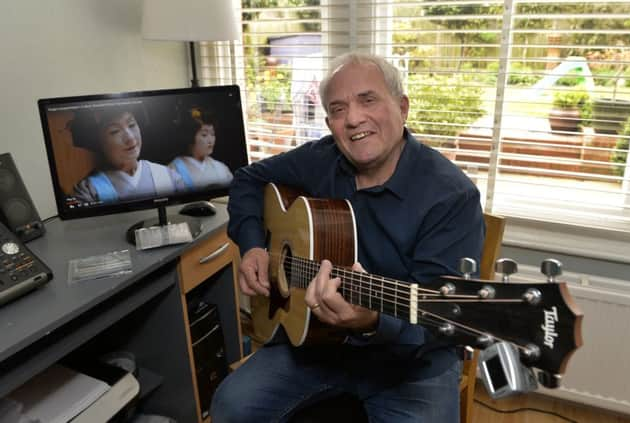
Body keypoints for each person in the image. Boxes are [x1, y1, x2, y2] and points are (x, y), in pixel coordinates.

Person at [211, 52, 485, 422]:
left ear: (402, 107)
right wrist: (254, 246)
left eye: (368, 100)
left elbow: (442, 324)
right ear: (329, 123)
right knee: (231, 407)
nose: (353, 118)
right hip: (316, 346)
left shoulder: (451, 196)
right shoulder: (322, 159)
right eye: (338, 110)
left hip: (409, 367)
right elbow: (247, 178)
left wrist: (373, 321)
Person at [70, 104, 186, 203]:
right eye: (115, 131)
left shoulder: (169, 176)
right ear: (97, 141)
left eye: (132, 125)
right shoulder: (88, 190)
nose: (130, 138)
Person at [168, 107, 233, 190]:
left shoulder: (221, 168)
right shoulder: (173, 169)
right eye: (204, 135)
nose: (210, 140)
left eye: (213, 134)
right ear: (190, 137)